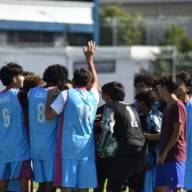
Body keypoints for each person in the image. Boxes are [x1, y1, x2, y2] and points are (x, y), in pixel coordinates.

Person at [45, 41, 99, 192]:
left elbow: (49, 116)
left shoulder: (66, 94)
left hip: (68, 148)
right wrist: (90, 59)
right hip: (87, 149)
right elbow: (95, 82)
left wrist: (49, 98)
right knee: (83, 188)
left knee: (66, 186)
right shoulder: (93, 96)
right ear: (87, 83)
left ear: (73, 81)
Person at [97, 81, 147, 192]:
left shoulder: (110, 106)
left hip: (124, 151)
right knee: (134, 188)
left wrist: (101, 149)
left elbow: (107, 129)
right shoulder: (132, 108)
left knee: (114, 188)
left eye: (103, 94)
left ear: (107, 95)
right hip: (141, 151)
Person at [28, 64, 68, 192]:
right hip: (50, 148)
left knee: (41, 185)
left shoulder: (32, 92)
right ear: (60, 80)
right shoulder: (58, 94)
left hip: (34, 147)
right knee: (51, 185)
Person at [0, 63, 30, 192]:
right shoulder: (22, 95)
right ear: (14, 78)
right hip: (20, 147)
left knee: (3, 181)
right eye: (21, 75)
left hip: (3, 147)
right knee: (24, 178)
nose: (23, 78)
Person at [155, 75, 186, 192]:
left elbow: (177, 131)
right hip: (164, 155)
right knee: (160, 188)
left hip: (174, 155)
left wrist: (166, 152)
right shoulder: (167, 107)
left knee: (175, 189)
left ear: (165, 87)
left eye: (159, 87)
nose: (158, 90)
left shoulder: (178, 105)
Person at [135, 91, 162, 192]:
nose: (136, 104)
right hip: (147, 157)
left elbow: (159, 136)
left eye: (137, 102)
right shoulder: (144, 115)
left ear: (142, 103)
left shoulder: (153, 116)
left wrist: (142, 135)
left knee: (148, 186)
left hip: (152, 158)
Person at [176, 71, 192, 192]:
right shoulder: (173, 106)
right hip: (179, 154)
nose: (176, 85)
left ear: (188, 88)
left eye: (179, 83)